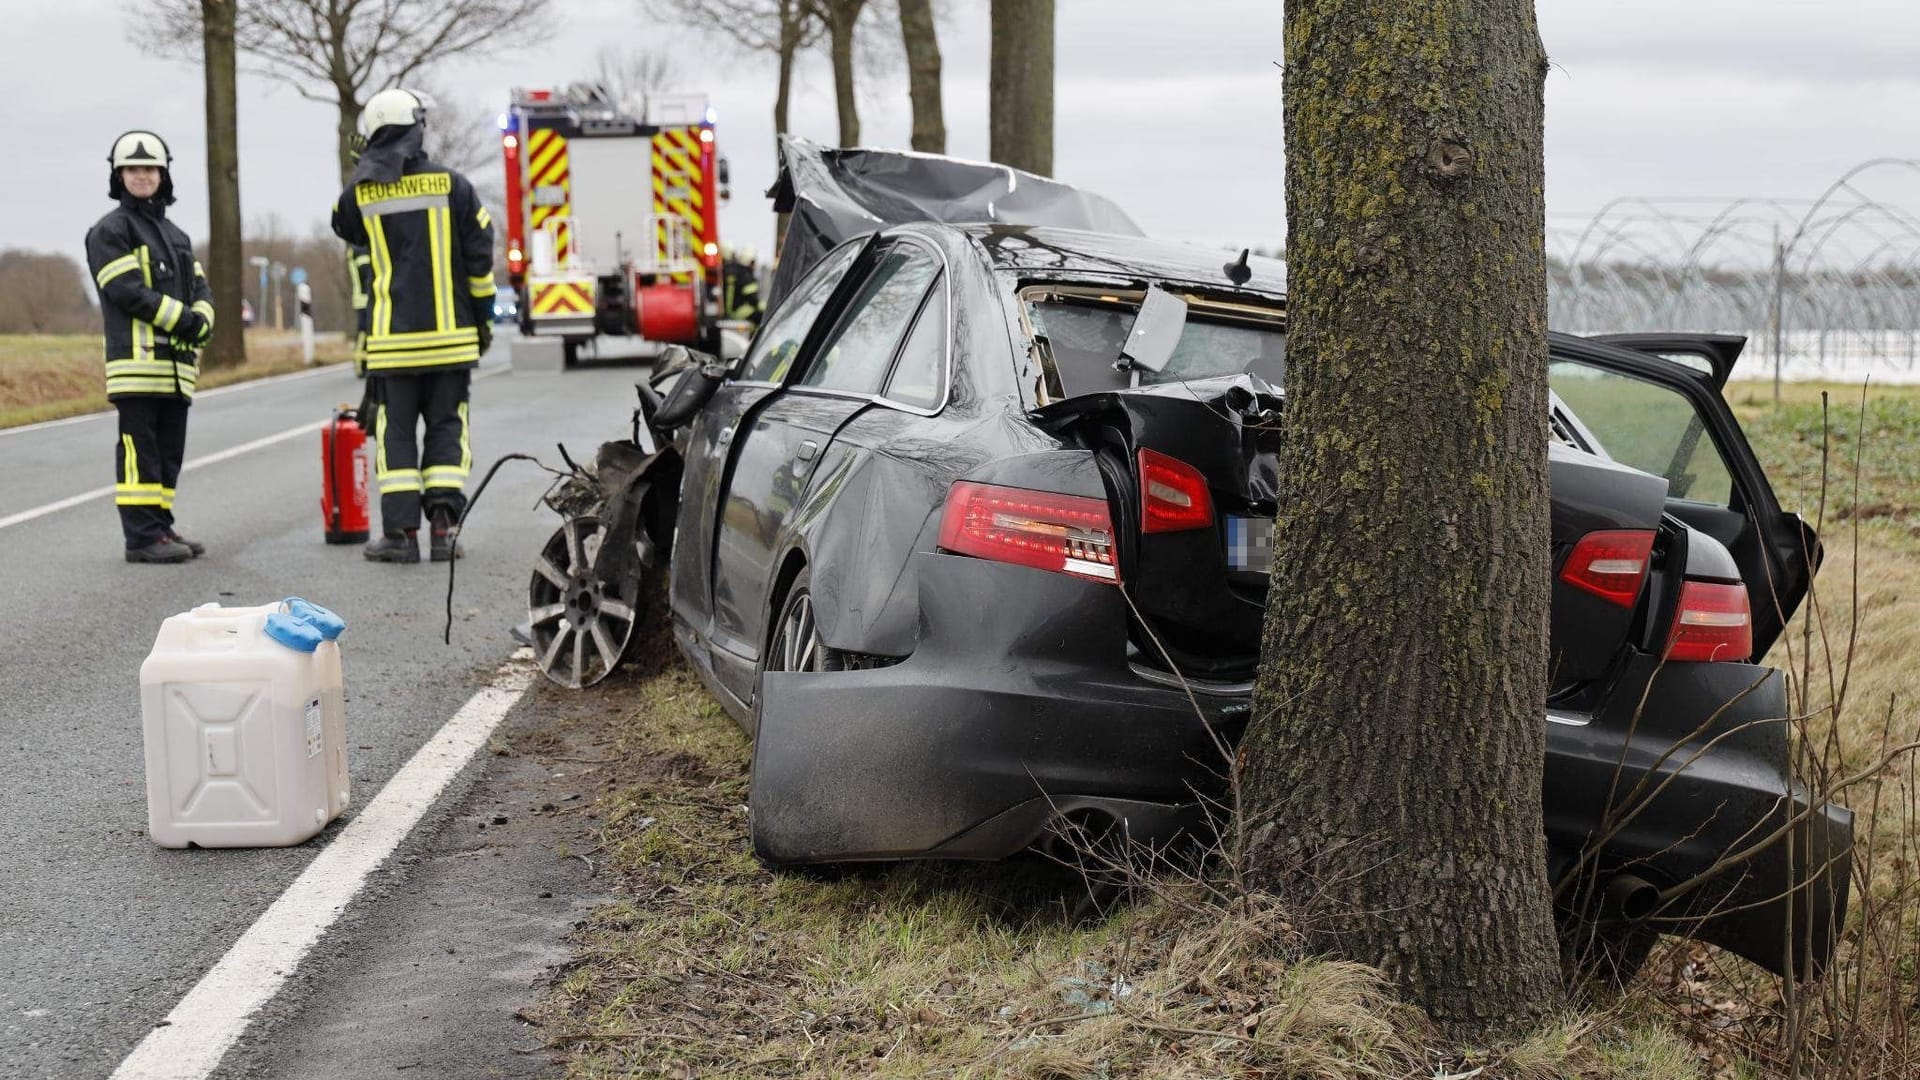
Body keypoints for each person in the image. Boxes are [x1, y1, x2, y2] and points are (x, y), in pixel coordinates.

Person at [330, 88, 496, 564]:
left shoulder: (361, 194)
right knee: (447, 429)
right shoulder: (454, 186)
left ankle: (401, 536)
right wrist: (482, 322)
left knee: (396, 435)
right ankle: (443, 531)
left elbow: (343, 224)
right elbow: (479, 262)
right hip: (450, 341)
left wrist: (368, 168)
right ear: (417, 128)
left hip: (392, 345)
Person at [85, 130, 215, 564]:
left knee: (168, 454)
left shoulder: (175, 233)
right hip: (136, 366)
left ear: (163, 174)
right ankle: (141, 538)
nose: (142, 176)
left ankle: (160, 527)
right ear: (119, 175)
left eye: (150, 168)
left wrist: (204, 321)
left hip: (176, 368)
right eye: (133, 169)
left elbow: (201, 288)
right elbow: (125, 290)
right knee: (141, 454)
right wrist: (184, 320)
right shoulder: (110, 230)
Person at [722, 243, 764, 329]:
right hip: (738, 310)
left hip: (728, 311)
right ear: (750, 261)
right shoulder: (746, 275)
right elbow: (752, 299)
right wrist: (764, 306)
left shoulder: (732, 271)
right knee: (762, 316)